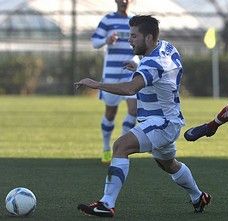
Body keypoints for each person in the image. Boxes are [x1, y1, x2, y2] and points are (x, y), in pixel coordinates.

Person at [75, 15, 211, 217]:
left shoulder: (152, 63)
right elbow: (165, 73)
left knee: (121, 146)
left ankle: (107, 203)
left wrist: (97, 84)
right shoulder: (166, 47)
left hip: (161, 123)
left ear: (148, 38)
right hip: (168, 120)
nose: (129, 40)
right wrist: (139, 67)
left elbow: (131, 89)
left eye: (133, 36)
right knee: (169, 165)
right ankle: (198, 196)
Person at [91, 0, 138, 164]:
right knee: (110, 113)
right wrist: (106, 40)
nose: (124, 1)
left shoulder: (135, 21)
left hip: (130, 73)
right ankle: (106, 148)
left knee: (134, 109)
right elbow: (94, 42)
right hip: (111, 74)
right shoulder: (107, 20)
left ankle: (121, 147)